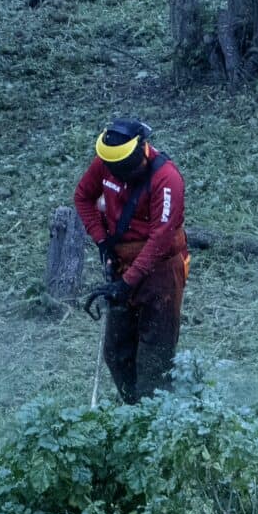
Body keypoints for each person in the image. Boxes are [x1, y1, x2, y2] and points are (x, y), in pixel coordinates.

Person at [73, 117, 188, 402]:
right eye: (117, 170)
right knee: (116, 350)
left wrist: (127, 283)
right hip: (122, 265)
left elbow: (161, 239)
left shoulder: (167, 178)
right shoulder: (106, 163)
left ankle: (157, 416)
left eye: (127, 168)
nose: (122, 175)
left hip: (160, 271)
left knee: (154, 355)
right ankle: (134, 409)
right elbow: (83, 197)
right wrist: (102, 241)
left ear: (140, 150)